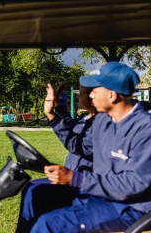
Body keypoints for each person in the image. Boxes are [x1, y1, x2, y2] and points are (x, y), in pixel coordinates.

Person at [17, 62, 151, 233]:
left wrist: (75, 178)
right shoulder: (104, 121)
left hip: (131, 209)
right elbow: (78, 145)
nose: (91, 95)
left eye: (95, 90)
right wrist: (54, 113)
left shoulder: (145, 129)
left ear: (111, 95)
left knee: (49, 225)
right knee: (39, 194)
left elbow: (133, 185)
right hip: (100, 196)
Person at [16, 84, 96, 232]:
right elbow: (70, 124)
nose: (78, 97)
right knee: (31, 187)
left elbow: (75, 144)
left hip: (82, 184)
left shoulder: (101, 124)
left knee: (37, 191)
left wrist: (51, 115)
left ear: (94, 97)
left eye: (82, 93)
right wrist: (56, 105)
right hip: (70, 179)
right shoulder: (86, 117)